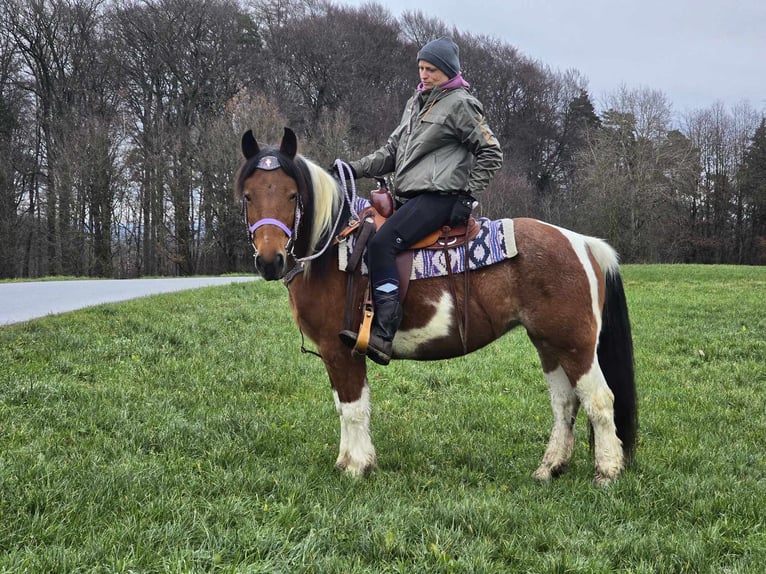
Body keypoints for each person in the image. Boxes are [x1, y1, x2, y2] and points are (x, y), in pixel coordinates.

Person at [336, 36, 503, 366]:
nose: (424, 75)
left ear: (447, 71)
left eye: (431, 70)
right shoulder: (415, 103)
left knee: (382, 244)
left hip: (439, 198)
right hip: (408, 197)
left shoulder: (461, 104)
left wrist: (467, 196)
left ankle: (384, 332)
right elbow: (390, 153)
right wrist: (350, 168)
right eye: (421, 68)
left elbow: (491, 152)